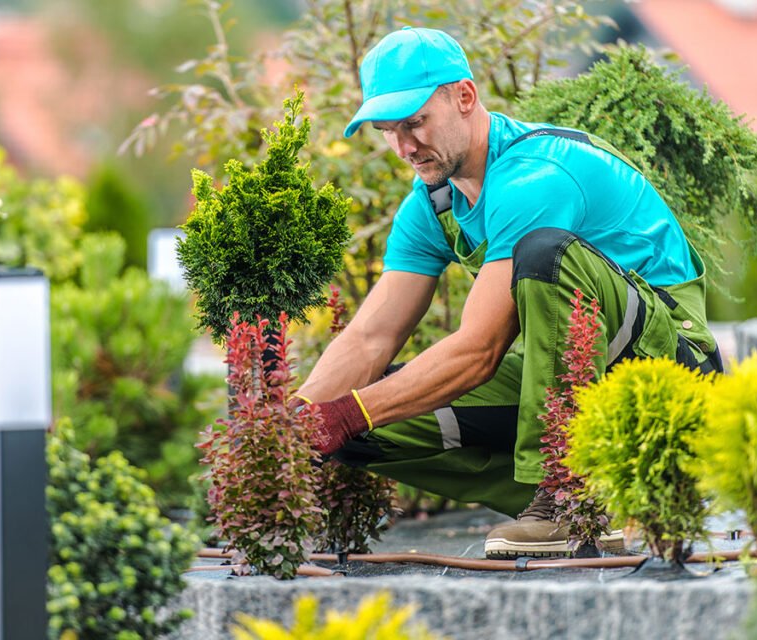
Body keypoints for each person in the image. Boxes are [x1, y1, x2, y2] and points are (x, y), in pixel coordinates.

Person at [295, 26, 722, 559]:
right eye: (388, 130)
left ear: (465, 98)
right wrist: (291, 427)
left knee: (544, 252)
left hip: (671, 369)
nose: (404, 146)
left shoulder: (535, 177)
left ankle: (566, 501)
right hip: (573, 378)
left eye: (415, 123)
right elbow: (369, 339)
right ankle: (601, 504)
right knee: (356, 428)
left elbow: (479, 351)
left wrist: (349, 411)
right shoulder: (432, 206)